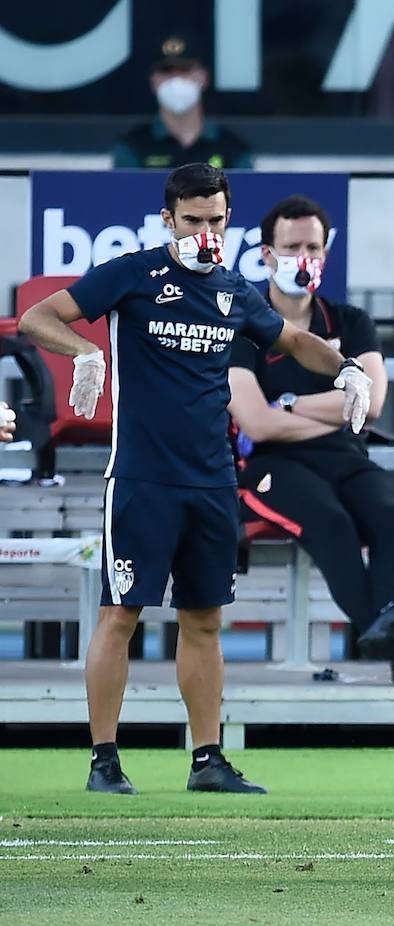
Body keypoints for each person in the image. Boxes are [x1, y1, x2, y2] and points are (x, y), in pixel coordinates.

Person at [17, 163, 372, 795]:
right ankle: (105, 759)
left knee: (204, 620)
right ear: (168, 220)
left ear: (228, 218)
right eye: (192, 220)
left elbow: (291, 340)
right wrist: (87, 352)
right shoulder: (134, 273)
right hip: (141, 477)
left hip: (211, 481)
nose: (204, 232)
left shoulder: (235, 290)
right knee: (120, 614)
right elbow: (38, 317)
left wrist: (346, 369)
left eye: (215, 220)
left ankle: (207, 759)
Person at [227, 195, 394, 685]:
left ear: (325, 254)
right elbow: (256, 425)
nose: (302, 257)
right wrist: (336, 411)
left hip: (345, 458)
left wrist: (289, 404)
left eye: (312, 246)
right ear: (266, 254)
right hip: (270, 465)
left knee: (388, 505)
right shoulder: (242, 325)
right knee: (328, 520)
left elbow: (370, 406)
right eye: (291, 247)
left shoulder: (350, 322)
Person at [111, 35, 253, 171]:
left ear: (204, 77)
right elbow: (126, 194)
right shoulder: (132, 147)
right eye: (166, 71)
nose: (175, 79)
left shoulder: (234, 149)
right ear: (153, 81)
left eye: (185, 70)